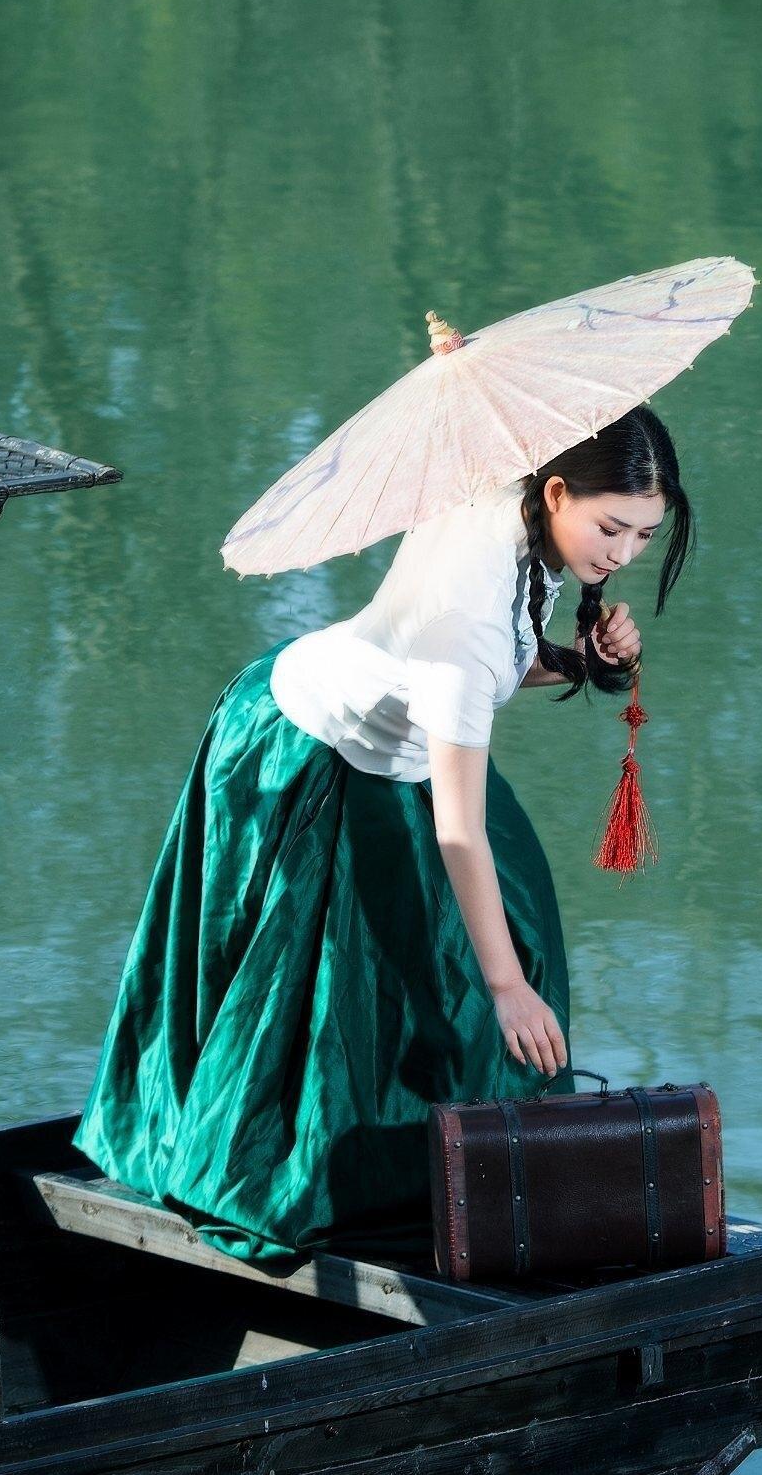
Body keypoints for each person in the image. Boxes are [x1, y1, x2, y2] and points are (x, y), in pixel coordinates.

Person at [73, 404, 693, 1266]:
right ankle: (296, 1175)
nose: (623, 554)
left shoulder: (512, 504)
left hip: (398, 753)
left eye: (644, 534)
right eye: (611, 526)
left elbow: (503, 663)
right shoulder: (466, 617)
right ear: (556, 490)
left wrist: (584, 661)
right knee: (367, 1001)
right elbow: (460, 829)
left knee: (487, 951)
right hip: (305, 751)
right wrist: (506, 985)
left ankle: (437, 1175)